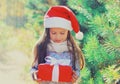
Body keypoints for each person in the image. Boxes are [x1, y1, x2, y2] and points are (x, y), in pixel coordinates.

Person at [30, 6, 85, 84]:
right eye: (53, 33)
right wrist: (34, 75)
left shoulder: (73, 50)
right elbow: (33, 68)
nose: (58, 37)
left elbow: (77, 70)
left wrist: (75, 77)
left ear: (68, 32)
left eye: (62, 33)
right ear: (48, 31)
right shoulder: (42, 47)